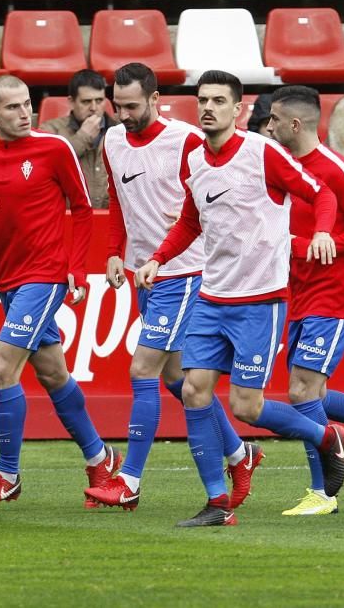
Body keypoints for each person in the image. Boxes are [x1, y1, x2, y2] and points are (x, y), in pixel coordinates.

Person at [135, 70, 344, 528]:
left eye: (218, 100)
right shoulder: (192, 158)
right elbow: (190, 221)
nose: (208, 107)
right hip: (212, 296)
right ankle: (217, 503)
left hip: (260, 300)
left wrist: (324, 231)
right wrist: (159, 257)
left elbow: (321, 192)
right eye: (202, 99)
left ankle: (323, 435)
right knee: (193, 390)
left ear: (238, 109)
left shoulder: (263, 152)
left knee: (246, 407)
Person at [85, 63, 258, 512]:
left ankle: (129, 480)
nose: (123, 114)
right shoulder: (113, 140)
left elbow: (205, 207)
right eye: (117, 106)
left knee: (142, 370)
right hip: (145, 274)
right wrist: (113, 252)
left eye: (132, 106)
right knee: (180, 381)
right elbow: (118, 204)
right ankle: (241, 454)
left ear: (155, 98)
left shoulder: (184, 141)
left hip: (184, 272)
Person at [0, 75, 121, 510]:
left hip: (46, 275)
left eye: (27, 104)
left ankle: (8, 474)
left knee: (1, 368)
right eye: (12, 107)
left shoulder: (54, 149)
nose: (23, 113)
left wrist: (75, 268)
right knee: (53, 373)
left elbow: (83, 208)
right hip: (7, 276)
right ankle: (100, 456)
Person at [264, 85, 344, 515]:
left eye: (275, 119)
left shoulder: (334, 170)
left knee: (302, 390)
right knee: (313, 390)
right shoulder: (282, 168)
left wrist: (325, 242)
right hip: (298, 295)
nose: (270, 125)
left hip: (333, 296)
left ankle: (323, 493)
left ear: (295, 124)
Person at [38, 70, 120, 209]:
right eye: (86, 102)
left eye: (99, 101)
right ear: (71, 102)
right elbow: (47, 167)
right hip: (70, 217)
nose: (94, 108)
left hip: (110, 217)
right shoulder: (51, 129)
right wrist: (83, 137)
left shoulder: (120, 130)